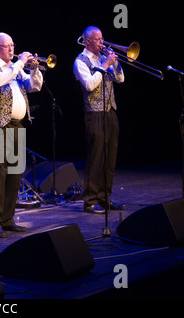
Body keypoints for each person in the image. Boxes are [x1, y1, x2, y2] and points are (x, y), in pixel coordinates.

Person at [0, 32, 43, 238]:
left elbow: (34, 87)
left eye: (13, 45)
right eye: (7, 46)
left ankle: (7, 219)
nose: (12, 49)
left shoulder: (16, 69)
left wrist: (33, 69)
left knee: (14, 174)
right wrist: (19, 64)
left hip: (17, 126)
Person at [73, 26, 126, 214]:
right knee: (96, 157)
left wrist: (115, 63)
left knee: (110, 157)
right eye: (97, 39)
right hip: (94, 113)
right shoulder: (80, 61)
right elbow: (89, 85)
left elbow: (120, 79)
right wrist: (104, 66)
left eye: (102, 39)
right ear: (87, 41)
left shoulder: (104, 58)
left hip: (110, 111)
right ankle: (90, 201)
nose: (101, 43)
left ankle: (105, 197)